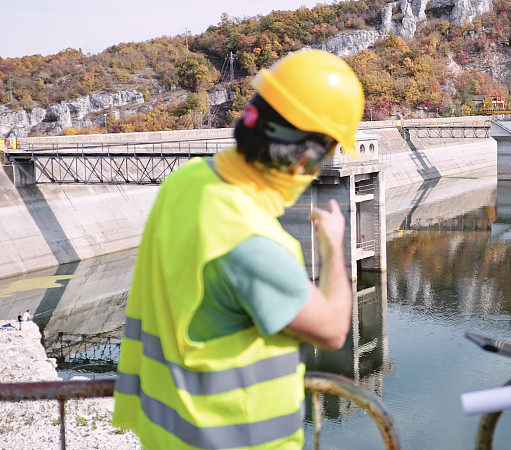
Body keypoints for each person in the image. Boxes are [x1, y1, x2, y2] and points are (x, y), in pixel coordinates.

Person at [112, 49, 365, 449]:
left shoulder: (187, 182)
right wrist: (334, 247)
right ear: (305, 158)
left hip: (163, 436)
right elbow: (333, 331)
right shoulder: (253, 243)